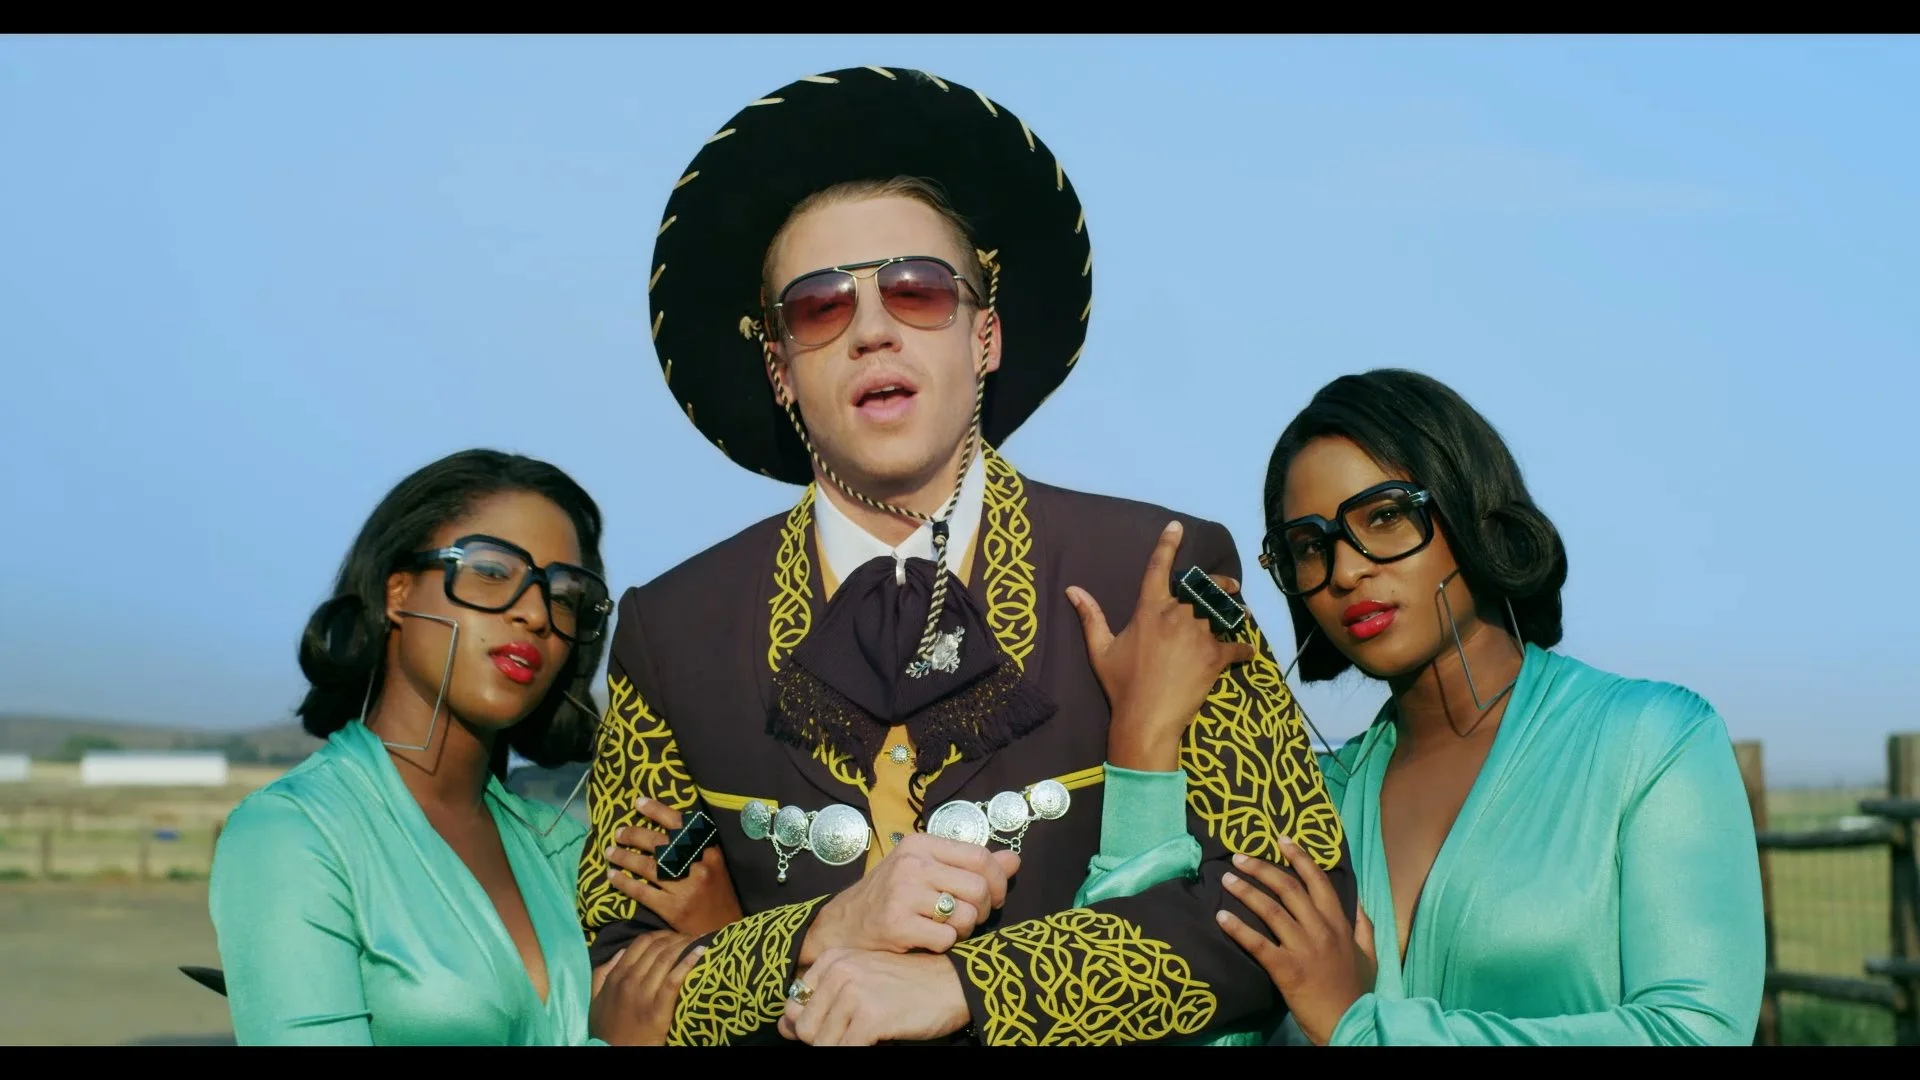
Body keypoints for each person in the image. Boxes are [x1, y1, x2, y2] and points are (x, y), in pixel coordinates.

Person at [573, 65, 1356, 1046]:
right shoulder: (670, 630)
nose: (871, 330)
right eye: (820, 307)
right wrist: (824, 930)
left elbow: (1292, 907)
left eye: (917, 291)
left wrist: (964, 987)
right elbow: (618, 982)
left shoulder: (1152, 567)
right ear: (779, 370)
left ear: (985, 336)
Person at [1093, 368, 1767, 1045]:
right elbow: (1155, 1024)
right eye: (1311, 547)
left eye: (1384, 516)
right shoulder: (1305, 803)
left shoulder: (1650, 742)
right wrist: (1142, 743)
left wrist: (1357, 1026)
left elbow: (1695, 1032)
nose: (1347, 572)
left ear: (1470, 507)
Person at [207, 448, 733, 1045]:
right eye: (491, 571)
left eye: (564, 596)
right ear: (397, 591)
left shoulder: (565, 849)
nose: (535, 613)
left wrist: (726, 941)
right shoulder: (294, 835)